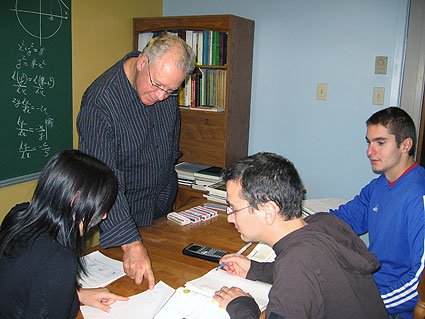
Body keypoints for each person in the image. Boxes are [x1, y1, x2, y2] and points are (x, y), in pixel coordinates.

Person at [76, 34, 195, 288]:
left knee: (171, 278)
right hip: (124, 210)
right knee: (133, 288)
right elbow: (102, 180)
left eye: (171, 90)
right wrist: (130, 241)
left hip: (161, 200)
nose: (162, 96)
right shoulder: (101, 103)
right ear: (142, 62)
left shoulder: (163, 84)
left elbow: (169, 140)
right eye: (158, 85)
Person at [213, 152, 388, 319]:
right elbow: (312, 271)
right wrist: (254, 269)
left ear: (268, 211)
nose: (229, 218)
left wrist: (242, 305)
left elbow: (299, 270)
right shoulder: (324, 223)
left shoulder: (297, 263)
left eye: (234, 209)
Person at [0, 150, 128, 318]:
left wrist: (76, 294)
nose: (104, 215)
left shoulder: (19, 214)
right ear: (75, 200)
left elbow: (20, 286)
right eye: (101, 205)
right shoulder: (58, 259)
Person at [330, 107, 425, 319]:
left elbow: (419, 285)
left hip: (393, 307)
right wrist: (292, 223)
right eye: (369, 142)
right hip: (369, 286)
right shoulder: (379, 186)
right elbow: (341, 220)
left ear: (405, 145)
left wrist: (367, 303)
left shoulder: (419, 197)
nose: (369, 151)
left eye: (380, 143)